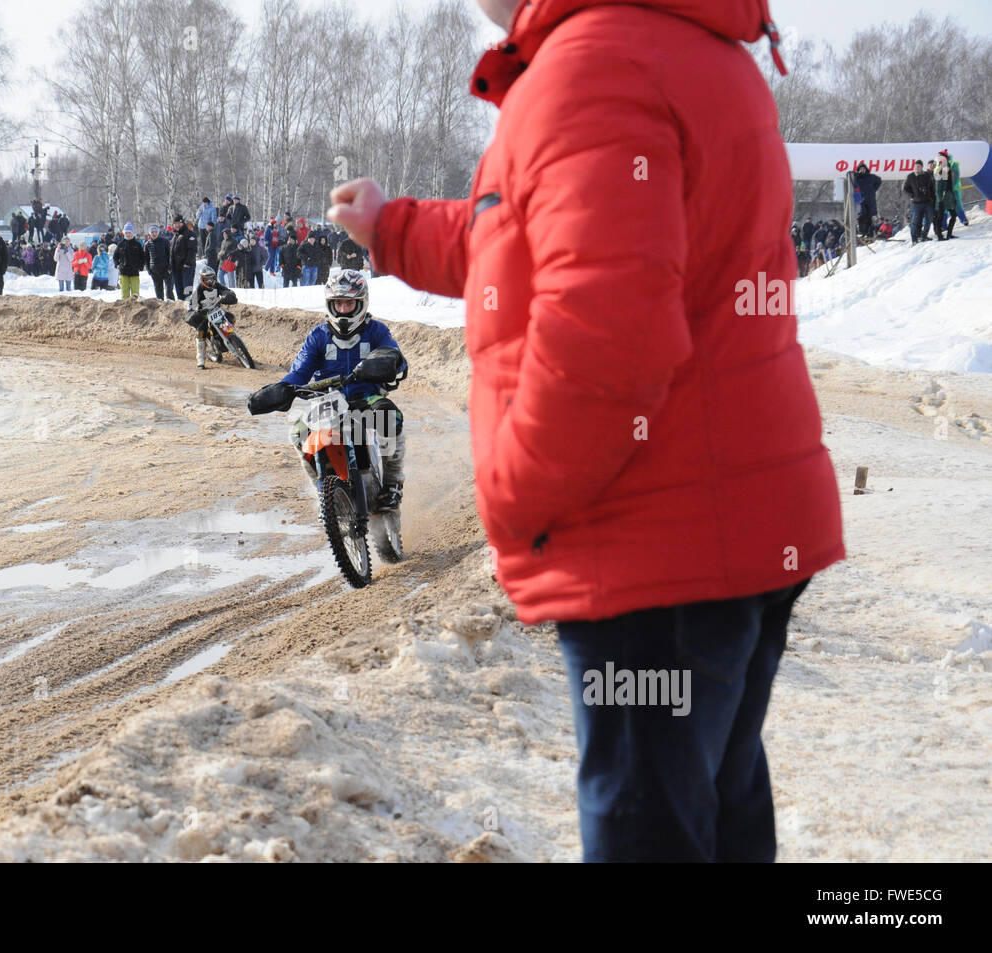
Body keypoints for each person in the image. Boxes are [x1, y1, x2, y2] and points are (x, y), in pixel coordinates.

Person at [327, 0, 843, 863]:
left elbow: (609, 336)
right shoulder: (669, 42)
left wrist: (509, 490)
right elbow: (522, 233)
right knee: (714, 804)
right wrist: (394, 229)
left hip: (652, 542)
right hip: (723, 523)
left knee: (650, 824)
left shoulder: (594, 68)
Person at [277, 270, 407, 511]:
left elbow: (395, 355)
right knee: (298, 434)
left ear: (361, 303)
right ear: (331, 305)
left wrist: (388, 362)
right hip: (326, 401)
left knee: (391, 417)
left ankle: (393, 483)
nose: (344, 309)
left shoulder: (376, 331)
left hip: (366, 397)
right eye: (339, 303)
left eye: (349, 303)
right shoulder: (318, 336)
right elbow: (299, 372)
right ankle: (322, 491)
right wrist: (281, 389)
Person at [187, 263, 238, 370]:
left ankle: (232, 338)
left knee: (231, 317)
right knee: (201, 332)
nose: (210, 282)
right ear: (202, 279)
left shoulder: (217, 285)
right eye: (207, 279)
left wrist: (227, 295)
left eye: (212, 279)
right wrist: (196, 310)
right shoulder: (198, 290)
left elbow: (226, 290)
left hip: (216, 311)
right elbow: (192, 304)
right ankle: (200, 359)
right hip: (204, 315)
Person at [903, 158, 938, 244]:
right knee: (915, 222)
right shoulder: (910, 176)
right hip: (916, 203)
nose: (917, 168)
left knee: (929, 219)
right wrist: (912, 195)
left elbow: (932, 188)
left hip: (927, 202)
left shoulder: (927, 175)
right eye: (915, 167)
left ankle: (923, 236)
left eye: (918, 166)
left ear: (922, 167)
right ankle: (914, 240)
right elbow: (905, 188)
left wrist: (932, 198)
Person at [114, 225, 147, 298]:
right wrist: (117, 264)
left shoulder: (137, 244)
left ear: (132, 233)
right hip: (123, 271)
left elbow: (142, 256)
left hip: (134, 271)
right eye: (126, 233)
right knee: (124, 292)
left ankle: (135, 307)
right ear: (124, 234)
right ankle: (125, 307)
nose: (128, 234)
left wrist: (140, 266)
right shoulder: (121, 244)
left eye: (130, 233)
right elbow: (115, 256)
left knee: (135, 293)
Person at [851, 162, 882, 240]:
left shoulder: (871, 177)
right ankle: (862, 232)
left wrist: (874, 189)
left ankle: (870, 233)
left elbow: (879, 180)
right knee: (862, 215)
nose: (862, 170)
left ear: (866, 169)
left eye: (863, 169)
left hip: (870, 198)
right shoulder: (857, 177)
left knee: (870, 215)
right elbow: (850, 178)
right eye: (860, 169)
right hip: (860, 198)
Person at [145, 225, 175, 300]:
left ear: (158, 232)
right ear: (150, 233)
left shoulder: (165, 241)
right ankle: (160, 307)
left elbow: (170, 255)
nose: (154, 234)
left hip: (166, 269)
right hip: (155, 271)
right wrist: (149, 270)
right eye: (152, 232)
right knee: (158, 292)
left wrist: (170, 267)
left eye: (155, 232)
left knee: (169, 290)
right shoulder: (147, 244)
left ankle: (171, 306)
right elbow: (146, 258)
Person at [933, 152, 958, 241]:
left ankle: (949, 234)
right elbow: (938, 188)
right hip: (942, 198)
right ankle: (939, 235)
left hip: (949, 197)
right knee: (940, 217)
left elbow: (949, 185)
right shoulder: (939, 172)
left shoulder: (946, 171)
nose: (947, 168)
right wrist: (940, 199)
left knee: (953, 215)